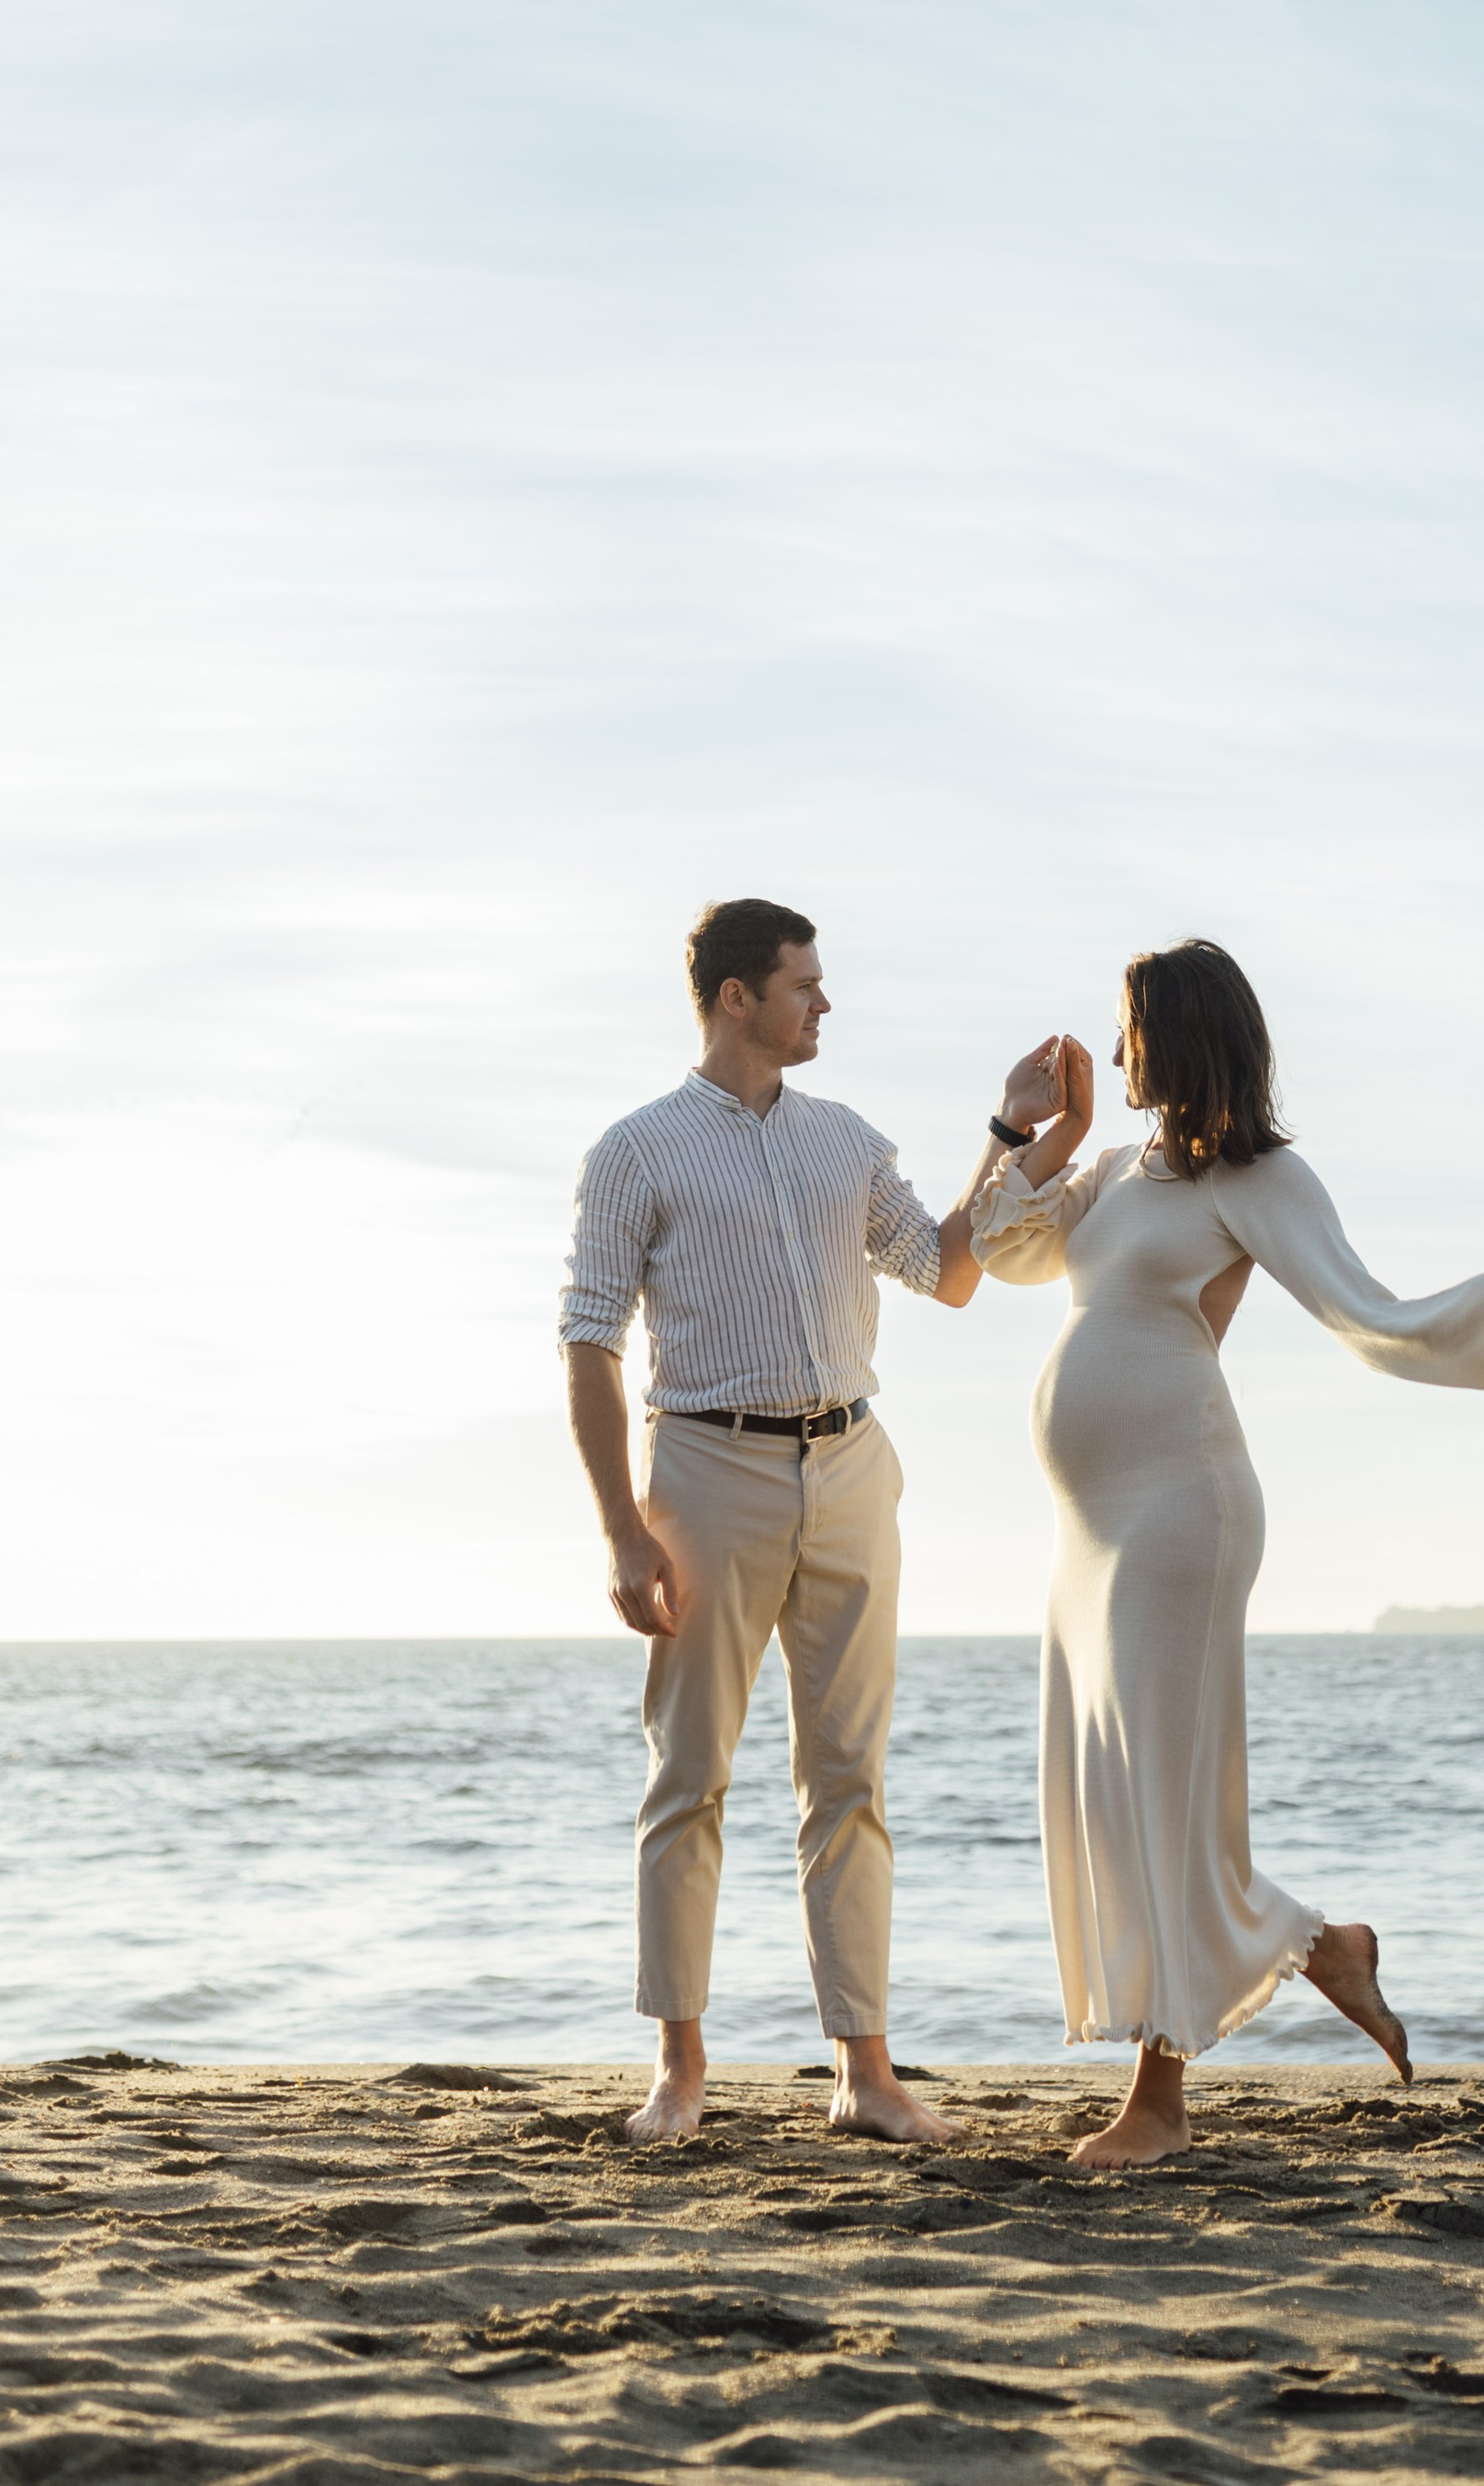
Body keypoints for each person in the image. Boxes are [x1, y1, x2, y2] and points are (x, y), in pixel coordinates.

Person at [967, 937, 1484, 2171]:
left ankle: (1160, 2105)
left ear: (1182, 1031)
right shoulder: (1114, 1171)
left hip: (1181, 1513)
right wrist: (1027, 1129)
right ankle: (1324, 1949)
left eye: (1129, 1029)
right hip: (1089, 1527)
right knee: (1118, 1794)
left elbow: (1372, 1313)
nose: (1110, 1053)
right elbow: (999, 1248)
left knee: (1167, 1792)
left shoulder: (1256, 1178)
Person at [560, 898, 1013, 2145]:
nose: (824, 1004)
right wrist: (620, 1528)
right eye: (803, 985)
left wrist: (1009, 1136)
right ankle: (681, 2073)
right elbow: (589, 1342)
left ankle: (864, 2077)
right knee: (689, 1778)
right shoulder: (638, 1151)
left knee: (849, 1782)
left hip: (854, 1465)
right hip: (707, 1471)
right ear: (735, 998)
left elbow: (945, 1273)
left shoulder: (848, 1141)